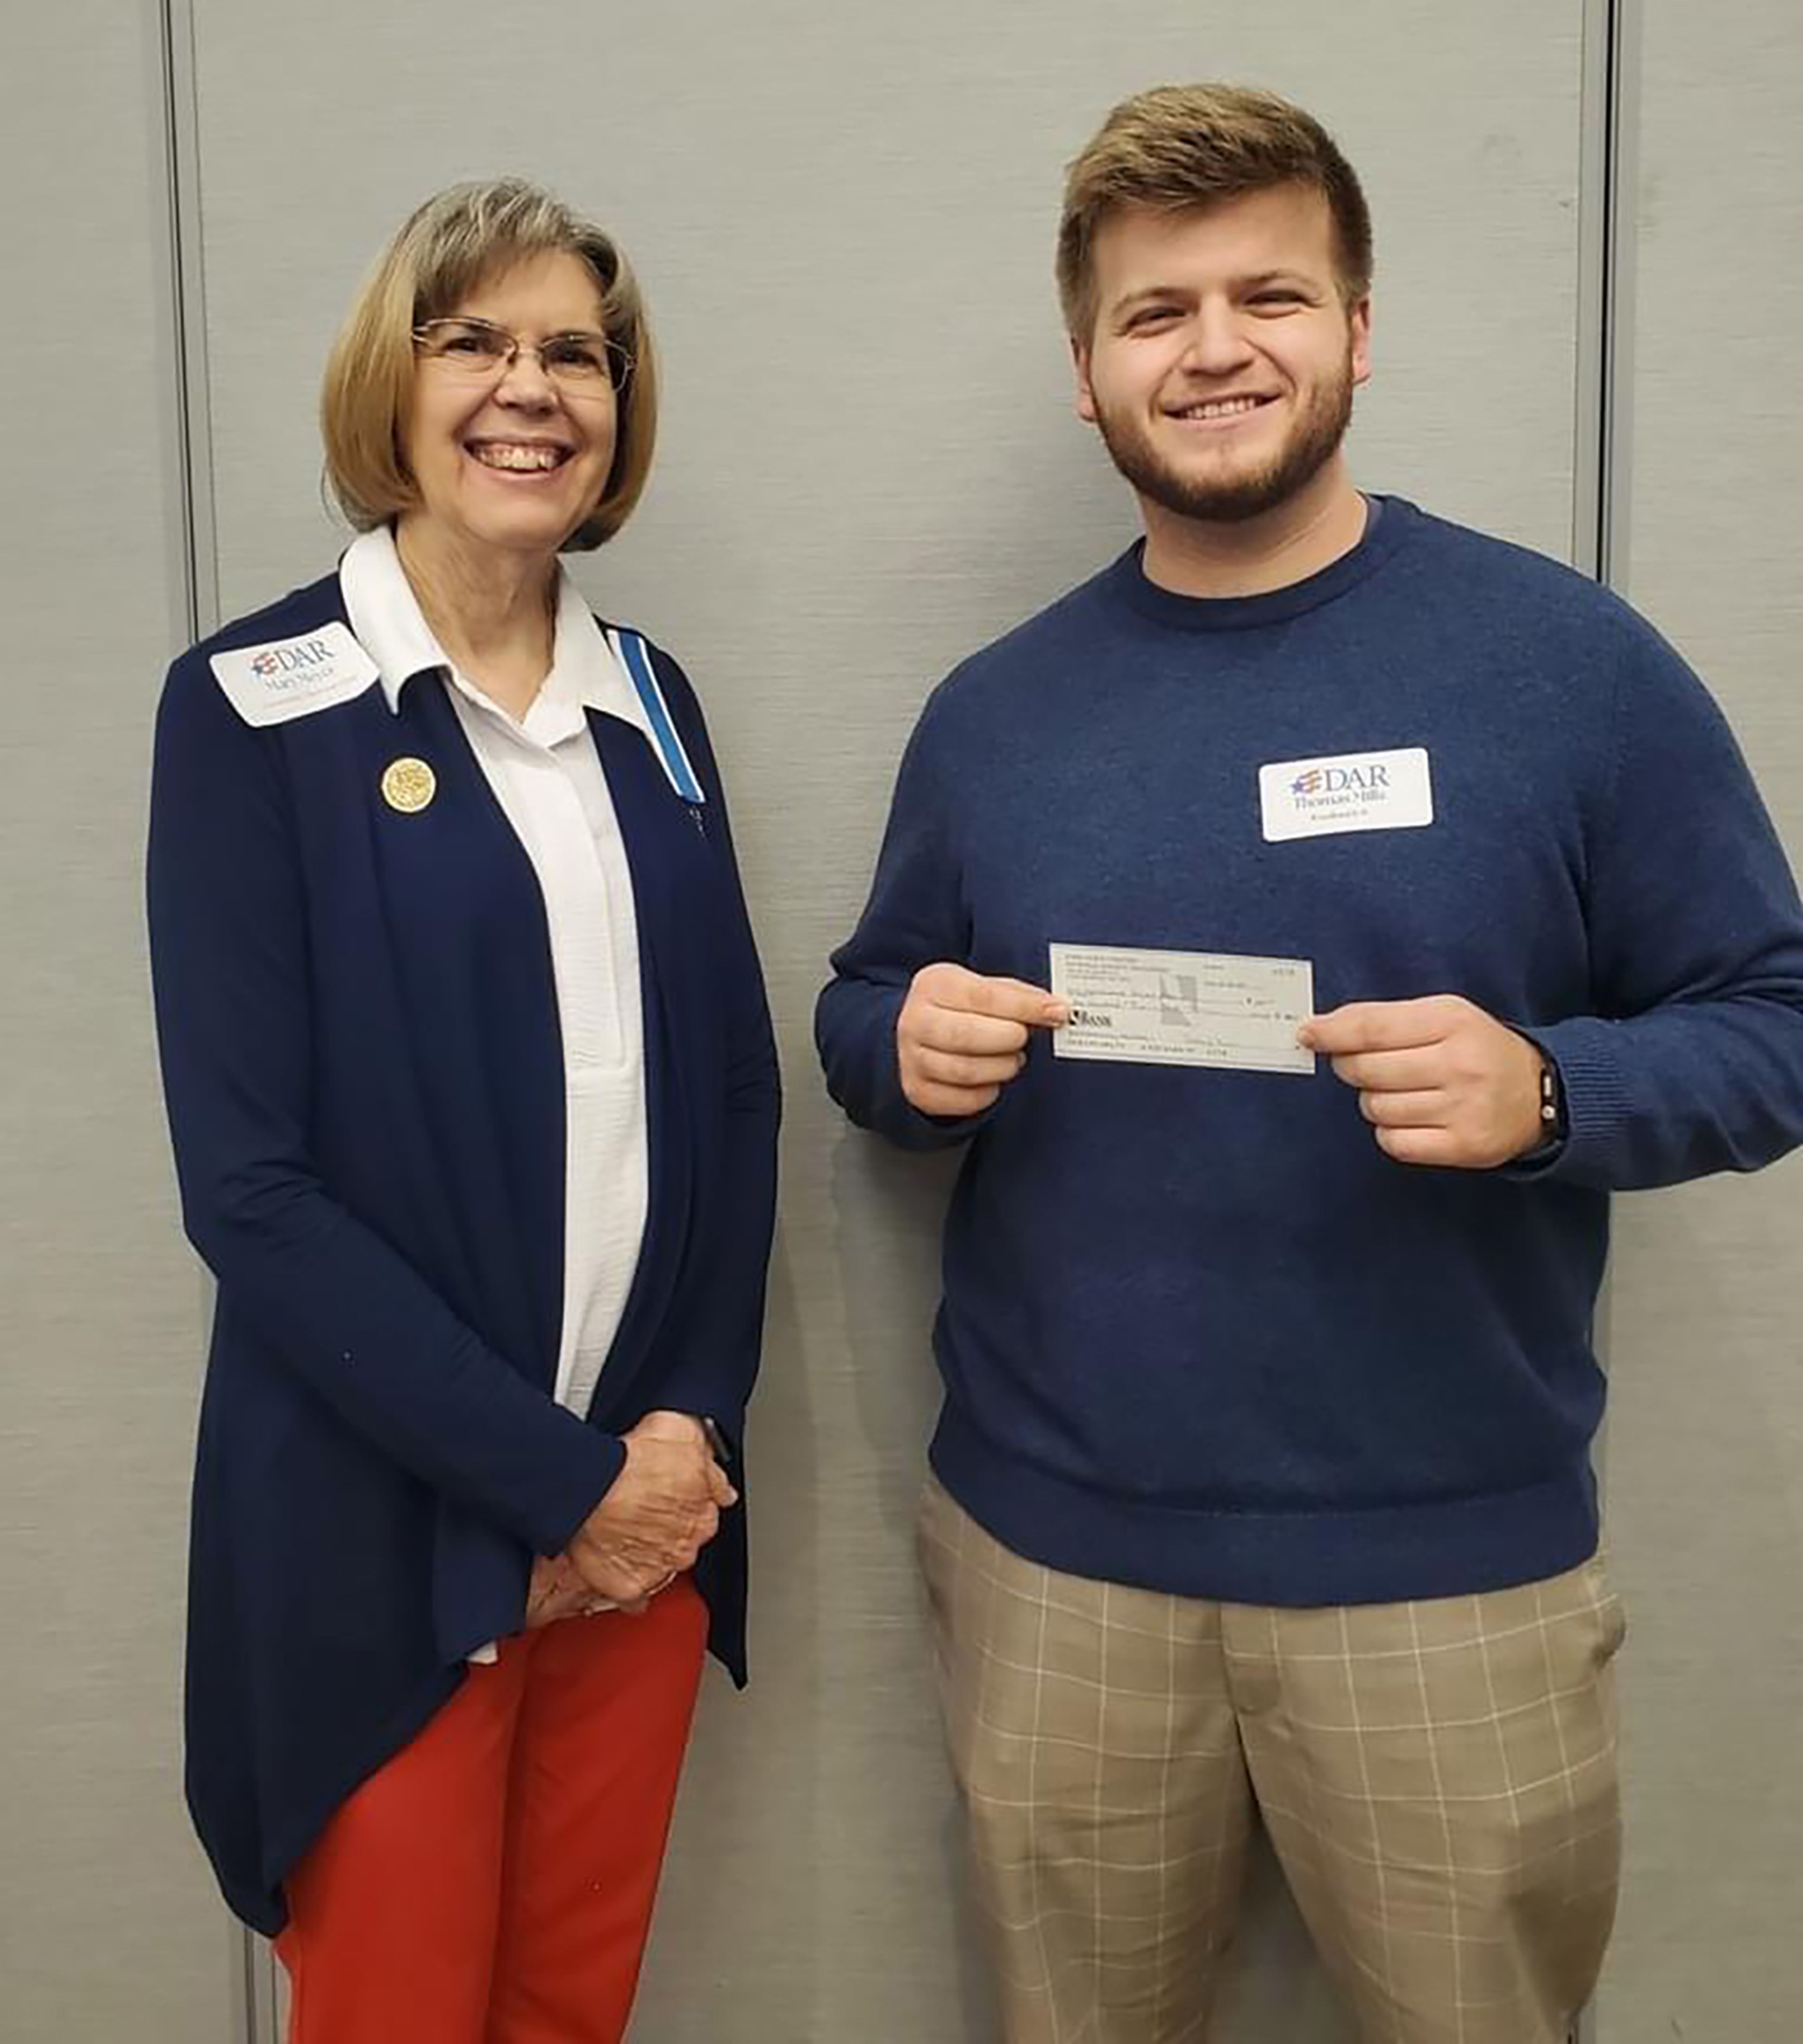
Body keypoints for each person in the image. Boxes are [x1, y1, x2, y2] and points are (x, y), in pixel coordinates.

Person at [815, 84, 1803, 2044]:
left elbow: (1771, 1026)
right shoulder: (997, 716)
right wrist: (898, 1046)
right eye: (1154, 312)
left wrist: (1553, 1097)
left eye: (1269, 293)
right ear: (1090, 378)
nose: (1213, 349)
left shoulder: (1569, 665)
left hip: (1449, 1585)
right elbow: (866, 1001)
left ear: (1360, 329)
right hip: (1054, 1574)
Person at [147, 178, 779, 2044]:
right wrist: (558, 1485)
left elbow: (733, 1098)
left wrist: (678, 1439)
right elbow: (247, 1190)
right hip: (385, 1530)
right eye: (474, 342)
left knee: (569, 2014)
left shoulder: (652, 700)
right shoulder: (254, 711)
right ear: (395, 387)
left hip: (648, 1524)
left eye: (574, 351)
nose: (531, 389)